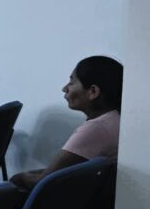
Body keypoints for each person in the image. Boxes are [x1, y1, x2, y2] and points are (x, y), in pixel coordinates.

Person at [12, 56, 123, 191]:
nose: (64, 88)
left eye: (71, 82)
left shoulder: (96, 128)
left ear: (93, 91)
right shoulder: (115, 118)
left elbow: (44, 182)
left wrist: (19, 178)